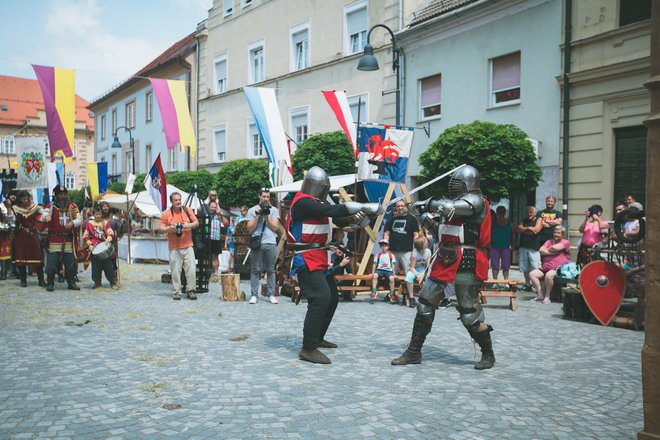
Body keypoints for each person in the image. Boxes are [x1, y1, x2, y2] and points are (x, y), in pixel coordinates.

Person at [392, 165, 496, 370]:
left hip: (468, 259)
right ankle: (414, 351)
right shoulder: (454, 206)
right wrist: (420, 215)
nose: (454, 186)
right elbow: (440, 232)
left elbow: (450, 208)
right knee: (424, 304)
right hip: (445, 257)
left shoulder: (476, 201)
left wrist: (428, 203)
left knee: (469, 313)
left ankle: (488, 354)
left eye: (458, 183)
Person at [286, 166, 381, 364]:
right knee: (320, 297)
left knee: (331, 299)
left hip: (319, 256)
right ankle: (308, 348)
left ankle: (317, 338)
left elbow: (340, 217)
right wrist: (365, 205)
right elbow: (333, 210)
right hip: (306, 257)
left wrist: (365, 215)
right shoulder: (303, 202)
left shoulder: (317, 204)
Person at [160, 192, 199, 300]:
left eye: (179, 200)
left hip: (188, 245)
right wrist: (170, 229)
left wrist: (189, 225)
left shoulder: (188, 210)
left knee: (191, 270)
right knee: (175, 271)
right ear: (171, 202)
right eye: (176, 200)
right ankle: (177, 291)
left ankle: (191, 290)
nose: (178, 202)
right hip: (174, 247)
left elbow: (196, 223)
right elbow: (161, 228)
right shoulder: (166, 214)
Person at [45, 185, 83, 291]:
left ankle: (71, 283)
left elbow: (79, 219)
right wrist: (46, 216)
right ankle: (50, 283)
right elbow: (44, 213)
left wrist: (73, 223)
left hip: (67, 239)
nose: (63, 196)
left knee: (70, 263)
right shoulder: (51, 206)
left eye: (64, 194)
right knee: (51, 263)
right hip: (54, 239)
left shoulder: (72, 206)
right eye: (60, 194)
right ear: (56, 195)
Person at [246, 189, 280, 304]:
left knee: (271, 270)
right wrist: (257, 216)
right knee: (256, 269)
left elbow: (275, 227)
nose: (266, 199)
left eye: (268, 197)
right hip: (258, 243)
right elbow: (250, 229)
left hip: (270, 242)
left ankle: (271, 294)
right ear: (259, 196)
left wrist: (266, 218)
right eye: (264, 196)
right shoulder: (252, 210)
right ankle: (254, 295)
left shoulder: (274, 210)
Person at [12, 191, 47, 287]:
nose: (26, 200)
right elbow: (10, 211)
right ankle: (23, 281)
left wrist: (46, 216)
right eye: (24, 199)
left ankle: (41, 280)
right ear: (20, 199)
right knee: (22, 258)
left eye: (27, 198)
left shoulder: (35, 208)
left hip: (32, 234)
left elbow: (43, 213)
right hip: (22, 235)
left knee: (38, 257)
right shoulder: (16, 208)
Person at [529, 226, 571, 304]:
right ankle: (540, 295)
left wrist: (548, 250)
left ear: (563, 234)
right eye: (555, 232)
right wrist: (553, 251)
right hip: (545, 267)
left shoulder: (565, 242)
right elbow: (541, 250)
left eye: (558, 233)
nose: (556, 234)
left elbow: (555, 248)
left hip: (559, 268)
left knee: (548, 275)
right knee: (532, 274)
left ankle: (547, 296)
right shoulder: (549, 241)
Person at [84, 206, 118, 289]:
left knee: (108, 266)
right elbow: (85, 235)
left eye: (99, 214)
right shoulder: (89, 223)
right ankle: (97, 282)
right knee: (96, 266)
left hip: (104, 246)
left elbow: (111, 233)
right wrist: (90, 244)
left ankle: (112, 282)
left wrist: (108, 239)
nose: (98, 216)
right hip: (94, 248)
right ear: (93, 215)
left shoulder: (105, 223)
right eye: (96, 214)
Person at [383, 200, 419, 277]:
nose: (400, 208)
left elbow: (416, 235)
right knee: (392, 273)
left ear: (406, 206)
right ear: (396, 208)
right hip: (392, 251)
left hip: (407, 251)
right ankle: (392, 289)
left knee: (408, 273)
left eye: (402, 206)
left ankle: (408, 289)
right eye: (398, 206)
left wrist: (414, 250)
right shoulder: (391, 220)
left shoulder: (412, 219)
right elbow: (386, 234)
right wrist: (386, 248)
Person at [517, 206, 543, 291]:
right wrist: (528, 228)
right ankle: (527, 284)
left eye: (531, 212)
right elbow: (519, 229)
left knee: (535, 266)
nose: (529, 214)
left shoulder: (538, 220)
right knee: (525, 267)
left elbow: (536, 231)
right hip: (523, 246)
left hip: (534, 247)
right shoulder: (524, 220)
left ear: (535, 213)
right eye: (528, 212)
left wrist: (526, 230)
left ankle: (536, 285)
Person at [404, 236, 432, 308]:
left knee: (429, 279)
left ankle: (425, 298)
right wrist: (417, 274)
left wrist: (423, 274)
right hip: (414, 270)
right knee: (408, 278)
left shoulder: (428, 251)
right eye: (425, 242)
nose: (427, 242)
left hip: (423, 269)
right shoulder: (415, 253)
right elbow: (412, 267)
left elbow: (428, 266)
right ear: (421, 245)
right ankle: (411, 298)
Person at [490, 206, 513, 282]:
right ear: (497, 213)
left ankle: (506, 281)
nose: (500, 214)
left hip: (506, 246)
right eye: (499, 212)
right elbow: (488, 233)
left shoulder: (509, 223)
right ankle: (495, 281)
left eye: (502, 212)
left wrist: (514, 244)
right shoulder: (493, 223)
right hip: (494, 246)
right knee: (495, 265)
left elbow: (514, 233)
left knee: (506, 266)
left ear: (505, 213)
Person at [371, 239, 397, 303]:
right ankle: (374, 291)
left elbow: (393, 265)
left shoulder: (391, 255)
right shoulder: (378, 255)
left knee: (391, 278)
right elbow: (375, 264)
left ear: (388, 247)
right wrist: (372, 272)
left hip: (388, 270)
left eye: (385, 246)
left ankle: (392, 293)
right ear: (380, 247)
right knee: (375, 276)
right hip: (379, 270)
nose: (383, 247)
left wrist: (393, 273)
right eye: (382, 246)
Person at [208, 200, 228, 278]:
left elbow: (226, 224)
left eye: (214, 207)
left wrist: (222, 216)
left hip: (216, 238)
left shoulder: (219, 215)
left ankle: (216, 273)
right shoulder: (206, 214)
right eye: (212, 207)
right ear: (209, 207)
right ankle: (207, 272)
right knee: (205, 256)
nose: (213, 208)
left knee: (215, 256)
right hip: (208, 238)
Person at [0, 197, 16, 280]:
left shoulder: (3, 208)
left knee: (5, 254)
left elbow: (10, 219)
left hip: (4, 236)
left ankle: (4, 273)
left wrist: (8, 206)